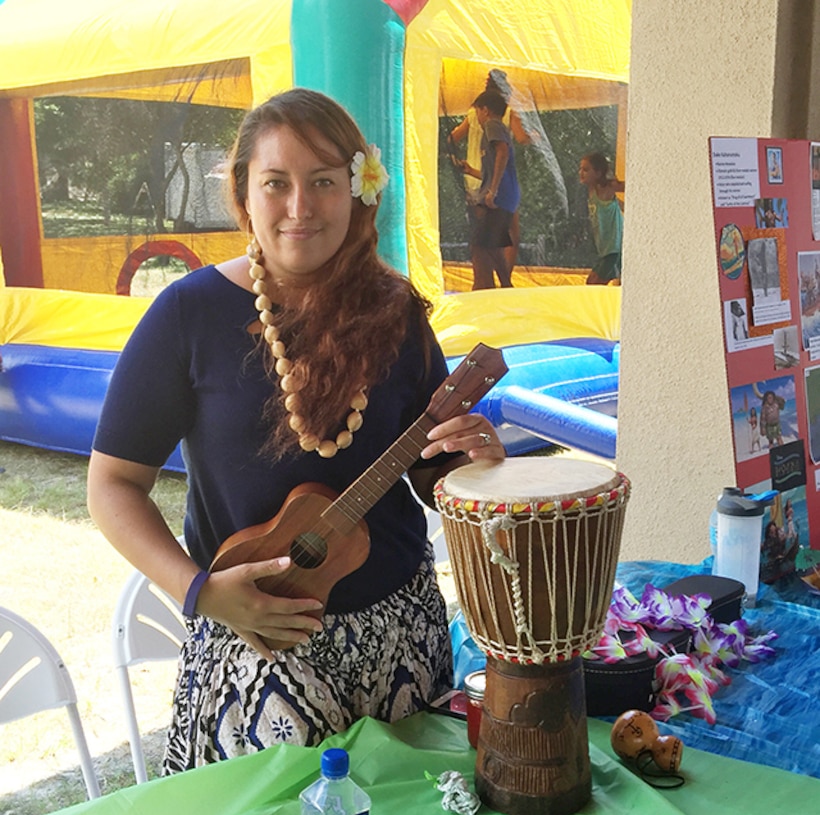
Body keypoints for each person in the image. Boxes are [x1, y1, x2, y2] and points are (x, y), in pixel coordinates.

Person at [86, 88, 505, 773]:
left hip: (402, 640)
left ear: (356, 191)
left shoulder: (396, 311)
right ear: (245, 196)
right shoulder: (187, 316)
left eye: (323, 183)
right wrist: (200, 593)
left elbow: (431, 471)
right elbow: (112, 484)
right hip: (255, 648)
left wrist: (473, 465)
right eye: (276, 183)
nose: (301, 208)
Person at [448, 70, 529, 274]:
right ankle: (503, 280)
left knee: (484, 237)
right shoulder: (504, 115)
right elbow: (518, 139)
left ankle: (488, 280)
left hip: (475, 180)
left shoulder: (474, 113)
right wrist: (534, 135)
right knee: (508, 235)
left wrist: (451, 156)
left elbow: (453, 137)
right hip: (495, 183)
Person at [456, 89, 521, 290]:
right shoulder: (496, 128)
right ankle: (505, 284)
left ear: (485, 110)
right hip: (505, 195)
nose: (477, 118)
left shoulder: (492, 125)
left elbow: (502, 152)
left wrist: (492, 191)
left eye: (477, 112)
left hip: (499, 196)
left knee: (481, 243)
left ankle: (503, 285)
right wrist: (471, 171)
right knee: (490, 243)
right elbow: (493, 169)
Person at [579, 152, 624, 285]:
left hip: (613, 249)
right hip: (605, 250)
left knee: (594, 284)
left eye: (586, 170)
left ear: (598, 173)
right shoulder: (591, 191)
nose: (581, 172)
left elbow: (630, 187)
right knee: (591, 282)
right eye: (580, 169)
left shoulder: (607, 189)